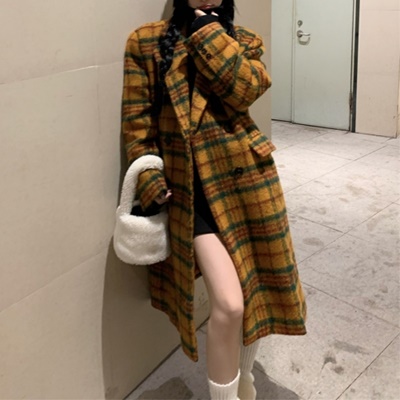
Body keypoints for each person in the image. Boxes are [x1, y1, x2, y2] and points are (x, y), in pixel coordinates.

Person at [121, 0, 307, 398]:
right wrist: (151, 180)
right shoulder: (146, 42)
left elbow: (246, 90)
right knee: (230, 304)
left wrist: (208, 34)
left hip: (247, 186)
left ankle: (245, 380)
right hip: (189, 194)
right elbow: (137, 126)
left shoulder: (243, 40)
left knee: (256, 293)